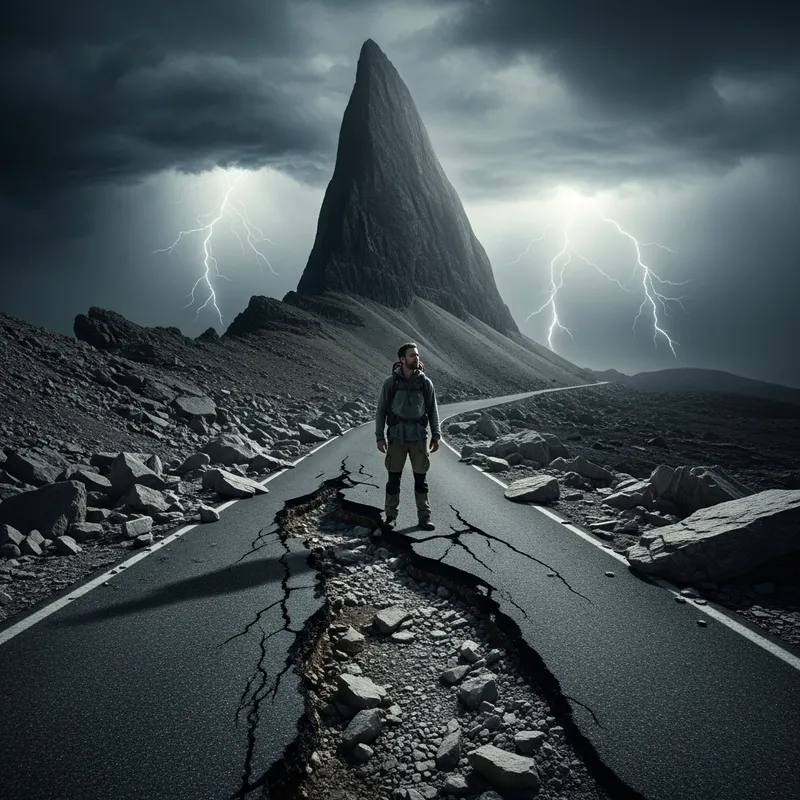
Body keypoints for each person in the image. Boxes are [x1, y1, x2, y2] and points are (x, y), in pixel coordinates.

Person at [375, 342, 441, 531]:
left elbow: (433, 410)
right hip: (396, 438)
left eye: (417, 355)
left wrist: (436, 435)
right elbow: (380, 411)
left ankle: (424, 517)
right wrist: (380, 437)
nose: (416, 358)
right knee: (393, 480)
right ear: (402, 359)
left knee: (421, 480)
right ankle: (390, 518)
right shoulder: (391, 382)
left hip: (419, 438)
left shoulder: (425, 383)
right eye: (412, 355)